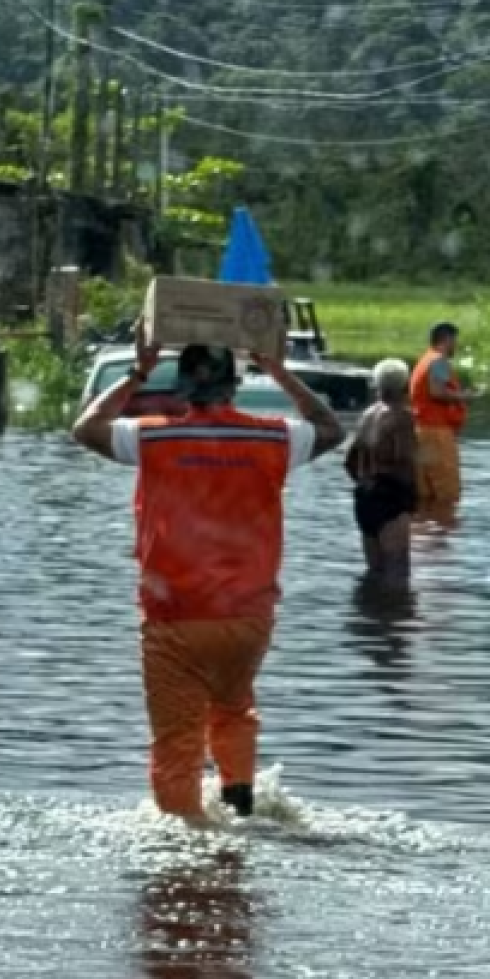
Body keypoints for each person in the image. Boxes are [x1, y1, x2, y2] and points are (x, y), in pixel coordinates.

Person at [73, 335, 344, 822]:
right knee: (233, 708)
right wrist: (280, 372)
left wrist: (138, 373)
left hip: (175, 617)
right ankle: (239, 802)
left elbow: (86, 429)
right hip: (247, 619)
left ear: (181, 390)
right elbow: (330, 428)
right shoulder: (274, 438)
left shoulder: (153, 437)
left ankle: (186, 850)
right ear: (234, 387)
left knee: (178, 745)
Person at [344, 359, 419, 581]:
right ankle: (392, 613)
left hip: (365, 498)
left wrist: (366, 483)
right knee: (397, 572)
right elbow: (405, 460)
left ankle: (369, 613)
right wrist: (413, 498)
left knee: (374, 570)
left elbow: (349, 460)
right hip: (392, 496)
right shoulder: (403, 417)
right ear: (406, 385)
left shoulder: (367, 415)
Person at [409, 322, 480, 513]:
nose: (455, 346)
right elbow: (436, 391)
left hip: (421, 432)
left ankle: (425, 526)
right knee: (446, 492)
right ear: (446, 340)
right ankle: (442, 531)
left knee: (424, 490)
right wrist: (464, 397)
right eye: (454, 341)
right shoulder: (438, 361)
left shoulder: (424, 360)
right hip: (437, 434)